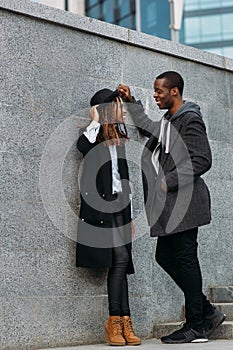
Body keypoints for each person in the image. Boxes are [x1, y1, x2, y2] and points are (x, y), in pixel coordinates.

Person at [118, 71, 226, 344]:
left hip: (185, 204)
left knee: (186, 259)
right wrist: (131, 101)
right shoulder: (168, 121)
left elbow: (203, 159)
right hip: (170, 207)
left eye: (159, 91)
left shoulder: (189, 119)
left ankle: (196, 326)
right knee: (165, 257)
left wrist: (169, 180)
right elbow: (146, 127)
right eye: (154, 91)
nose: (155, 95)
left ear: (174, 92)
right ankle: (207, 312)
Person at [76, 88, 141, 346]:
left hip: (119, 208)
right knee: (120, 259)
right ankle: (115, 322)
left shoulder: (117, 140)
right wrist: (94, 118)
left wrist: (131, 215)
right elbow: (82, 146)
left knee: (121, 264)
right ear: (106, 110)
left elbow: (124, 182)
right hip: (101, 209)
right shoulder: (94, 138)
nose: (123, 110)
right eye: (118, 106)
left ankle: (124, 322)